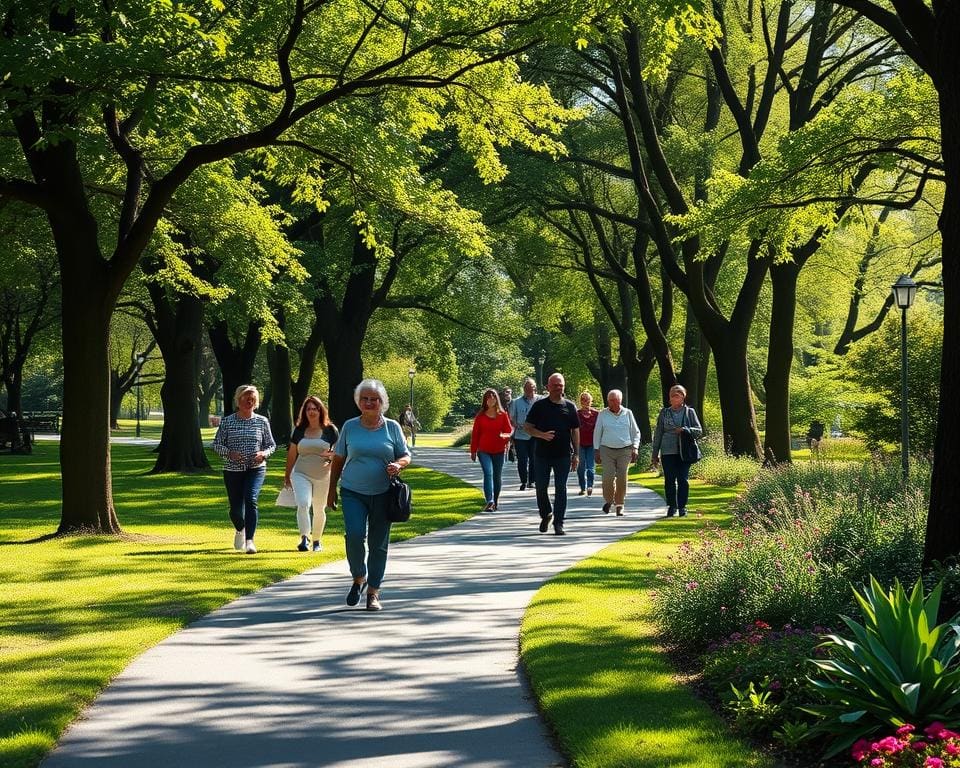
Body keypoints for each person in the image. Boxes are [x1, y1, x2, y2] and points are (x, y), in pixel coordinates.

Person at [327, 379, 411, 612]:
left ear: (382, 402)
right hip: (353, 490)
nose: (369, 402)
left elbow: (406, 455)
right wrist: (331, 488)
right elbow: (339, 459)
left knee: (378, 544)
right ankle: (358, 577)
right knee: (354, 535)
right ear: (358, 402)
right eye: (365, 398)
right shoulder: (350, 427)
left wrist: (398, 465)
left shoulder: (392, 427)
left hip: (384, 492)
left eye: (374, 399)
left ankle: (373, 592)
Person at [212, 385, 276, 554]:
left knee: (251, 499)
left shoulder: (262, 421)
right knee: (235, 509)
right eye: (246, 398)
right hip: (233, 470)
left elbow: (271, 445)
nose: (249, 401)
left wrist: (264, 453)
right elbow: (217, 445)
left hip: (256, 468)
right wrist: (229, 453)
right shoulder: (228, 421)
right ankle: (240, 529)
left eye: (252, 399)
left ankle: (250, 541)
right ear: (238, 400)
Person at [524, 372, 579, 535]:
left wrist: (576, 454)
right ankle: (546, 513)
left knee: (561, 488)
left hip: (563, 454)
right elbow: (527, 427)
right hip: (542, 454)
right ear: (548, 387)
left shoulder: (569, 406)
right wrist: (541, 435)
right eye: (554, 385)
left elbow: (575, 431)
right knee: (541, 487)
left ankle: (559, 523)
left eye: (560, 385)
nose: (558, 388)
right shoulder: (540, 406)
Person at [283, 396, 339, 552]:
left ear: (320, 410)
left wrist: (331, 457)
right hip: (301, 473)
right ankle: (304, 538)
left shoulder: (330, 430)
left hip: (323, 475)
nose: (312, 412)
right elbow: (292, 454)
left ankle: (317, 541)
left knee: (319, 509)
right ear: (304, 411)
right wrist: (287, 475)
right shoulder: (299, 430)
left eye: (315, 408)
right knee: (303, 503)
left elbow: (339, 452)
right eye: (308, 409)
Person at [651, 384, 703, 518]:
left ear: (683, 397)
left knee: (682, 479)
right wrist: (655, 453)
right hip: (667, 451)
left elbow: (699, 430)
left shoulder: (689, 412)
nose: (675, 398)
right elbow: (658, 433)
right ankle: (671, 506)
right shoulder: (664, 412)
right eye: (672, 395)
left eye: (677, 395)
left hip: (684, 451)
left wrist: (685, 429)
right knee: (669, 479)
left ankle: (682, 507)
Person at [594, 389, 641, 516]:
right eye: (610, 400)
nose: (611, 403)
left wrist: (635, 447)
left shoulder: (628, 413)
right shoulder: (603, 414)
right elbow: (597, 432)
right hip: (606, 449)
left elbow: (635, 432)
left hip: (625, 449)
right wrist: (596, 449)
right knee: (608, 477)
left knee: (622, 477)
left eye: (614, 400)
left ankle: (619, 504)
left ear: (620, 400)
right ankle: (609, 500)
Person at [470, 388, 513, 511]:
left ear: (496, 399)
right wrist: (473, 451)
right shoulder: (480, 417)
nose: (491, 399)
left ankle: (496, 500)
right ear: (485, 400)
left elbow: (509, 431)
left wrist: (504, 436)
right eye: (488, 397)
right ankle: (490, 500)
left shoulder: (502, 415)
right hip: (484, 450)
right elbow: (475, 435)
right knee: (488, 473)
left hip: (499, 450)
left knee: (497, 476)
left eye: (493, 397)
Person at [507, 377, 539, 490]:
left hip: (535, 434)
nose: (529, 390)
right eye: (527, 388)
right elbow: (511, 418)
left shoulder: (539, 400)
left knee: (534, 458)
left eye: (531, 388)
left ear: (535, 388)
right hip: (520, 435)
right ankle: (523, 481)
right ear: (524, 389)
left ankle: (532, 481)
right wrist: (517, 425)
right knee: (522, 459)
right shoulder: (516, 402)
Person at [576, 391, 599, 496]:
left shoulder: (596, 414)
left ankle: (590, 485)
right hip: (580, 444)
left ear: (591, 401)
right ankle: (582, 487)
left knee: (590, 467)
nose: (585, 401)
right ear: (580, 401)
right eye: (583, 399)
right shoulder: (577, 414)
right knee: (581, 467)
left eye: (587, 399)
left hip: (592, 444)